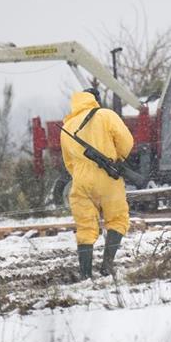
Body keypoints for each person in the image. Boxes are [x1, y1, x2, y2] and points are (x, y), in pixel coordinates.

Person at [60, 88, 134, 279]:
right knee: (117, 219)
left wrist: (80, 174)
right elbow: (126, 142)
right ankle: (107, 266)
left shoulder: (67, 126)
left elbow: (68, 162)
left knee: (85, 226)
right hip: (107, 176)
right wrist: (118, 158)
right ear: (96, 100)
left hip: (80, 181)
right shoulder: (106, 115)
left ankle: (85, 274)